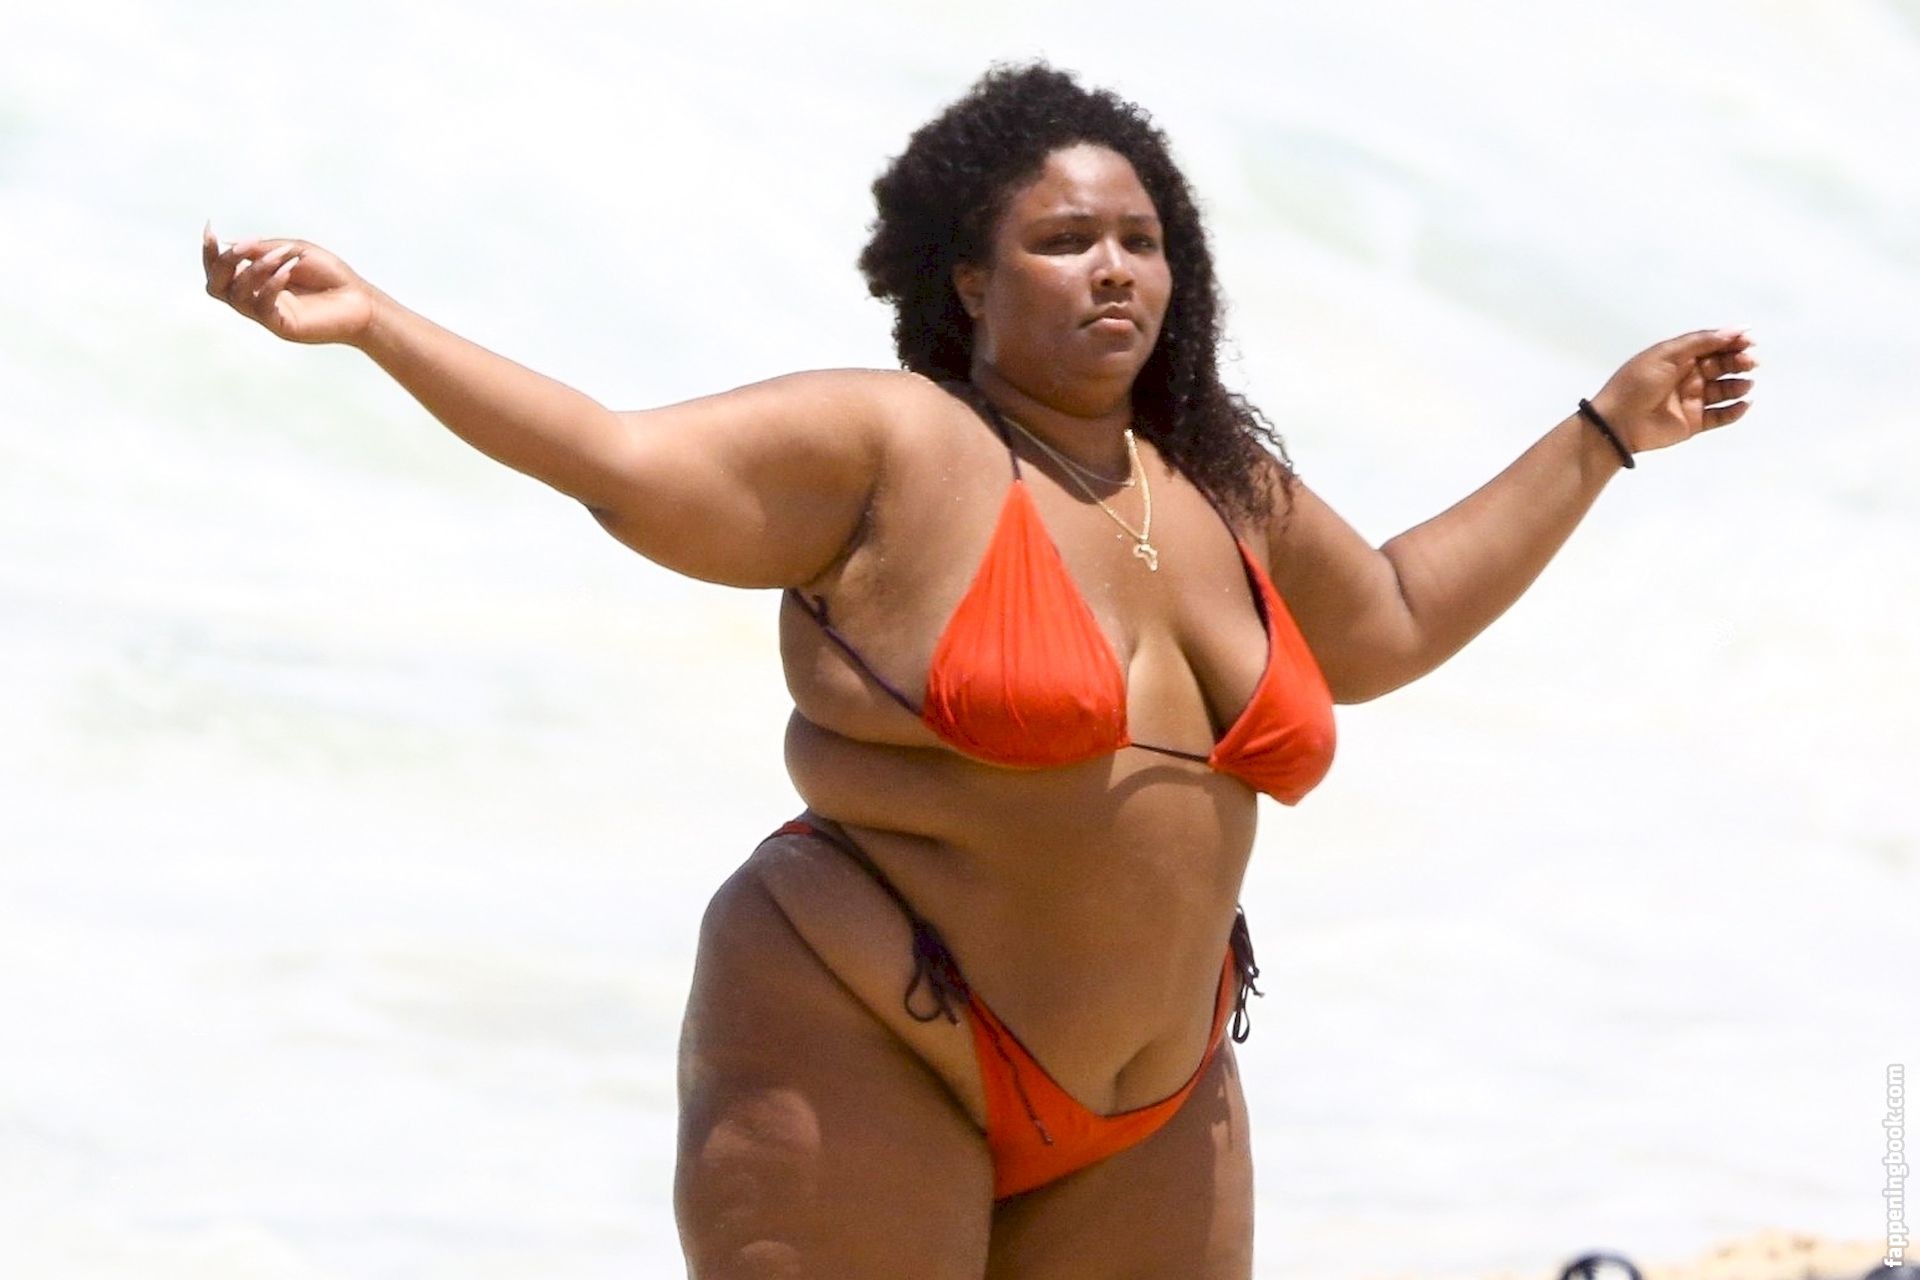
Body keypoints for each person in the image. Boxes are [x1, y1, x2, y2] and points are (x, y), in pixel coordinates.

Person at [201, 61, 1754, 1280]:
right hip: (863, 1032)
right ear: (967, 281)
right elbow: (618, 458)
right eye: (1064, 242)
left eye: (1141, 241)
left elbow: (1394, 622)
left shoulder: (1218, 481)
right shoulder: (900, 445)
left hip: (1158, 1093)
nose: (1113, 271)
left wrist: (1606, 434)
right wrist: (377, 325)